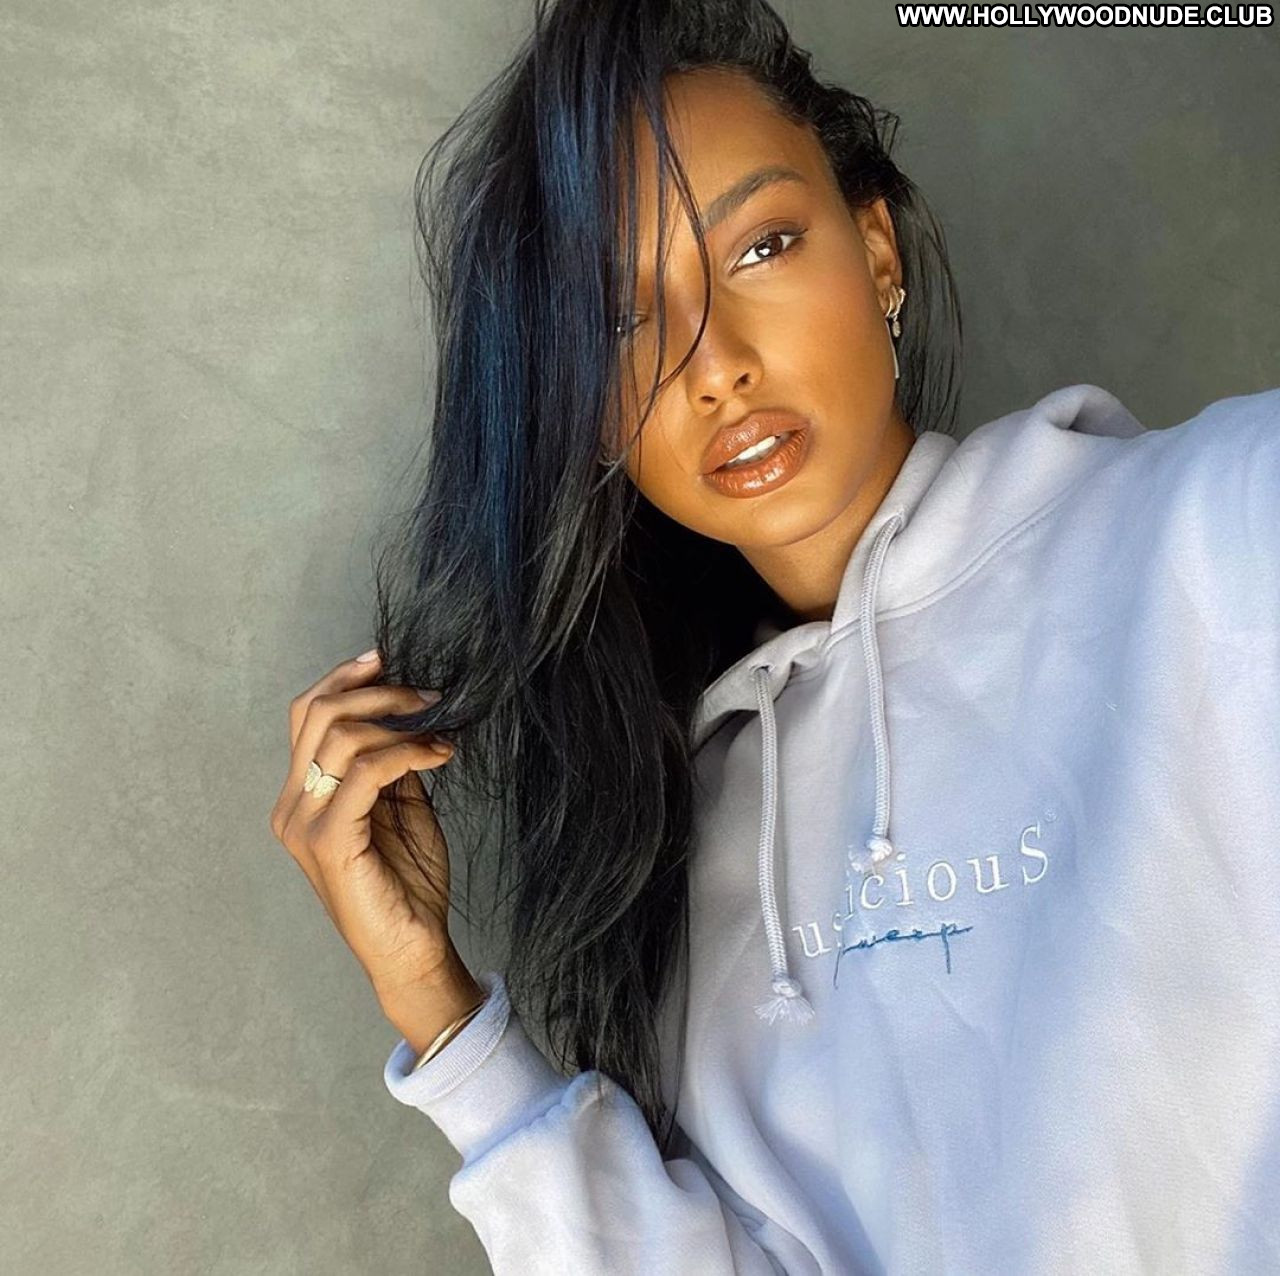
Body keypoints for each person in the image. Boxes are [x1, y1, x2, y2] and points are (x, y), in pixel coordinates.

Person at [268, 0, 1280, 1270]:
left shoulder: (1224, 526)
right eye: (621, 318)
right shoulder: (682, 845)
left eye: (761, 246)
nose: (714, 363)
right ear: (583, 412)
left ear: (877, 252)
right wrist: (438, 1005)